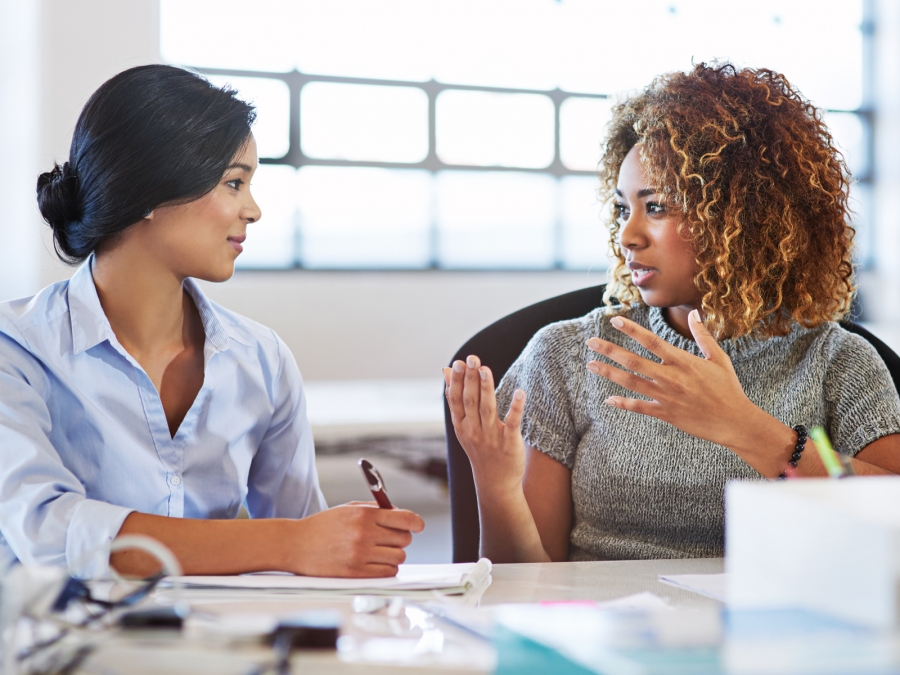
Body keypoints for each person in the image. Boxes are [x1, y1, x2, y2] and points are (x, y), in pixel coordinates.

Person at [445, 63, 900, 564]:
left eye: (657, 207)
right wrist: (495, 485)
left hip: (775, 634)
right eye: (623, 208)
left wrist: (752, 430)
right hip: (604, 636)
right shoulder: (571, 355)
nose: (628, 235)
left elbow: (887, 513)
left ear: (743, 216)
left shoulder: (835, 364)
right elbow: (530, 587)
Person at [0, 65, 423, 579]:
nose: (254, 210)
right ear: (150, 190)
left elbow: (307, 549)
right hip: (60, 651)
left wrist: (342, 546)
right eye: (234, 182)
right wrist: (287, 543)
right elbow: (48, 531)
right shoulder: (16, 348)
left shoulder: (262, 359)